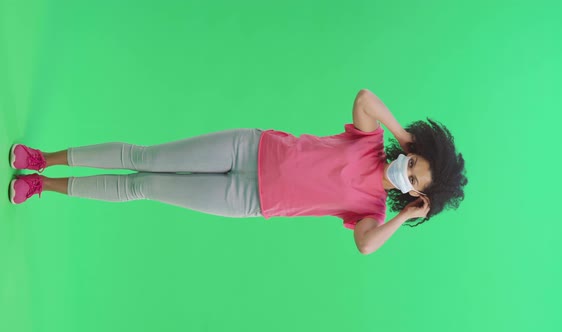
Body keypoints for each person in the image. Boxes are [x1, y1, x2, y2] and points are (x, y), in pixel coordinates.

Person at [8, 89, 467, 254]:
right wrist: (401, 134)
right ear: (410, 150)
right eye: (411, 161)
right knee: (143, 157)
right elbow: (366, 98)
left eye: (414, 180)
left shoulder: (370, 209)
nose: (405, 171)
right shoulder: (371, 142)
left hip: (249, 202)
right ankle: (42, 158)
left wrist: (405, 217)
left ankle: (42, 186)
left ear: (414, 196)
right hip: (248, 148)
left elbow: (366, 246)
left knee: (142, 188)